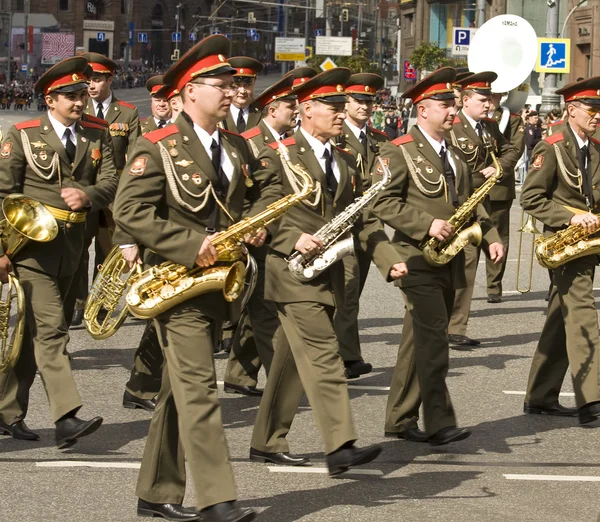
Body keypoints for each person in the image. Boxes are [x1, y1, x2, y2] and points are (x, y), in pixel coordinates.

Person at [114, 35, 279, 522]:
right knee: (200, 390)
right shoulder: (157, 146)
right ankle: (217, 500)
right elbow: (129, 210)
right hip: (176, 284)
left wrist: (260, 220)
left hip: (219, 285)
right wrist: (189, 244)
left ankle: (156, 492)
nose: (232, 92)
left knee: (177, 393)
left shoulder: (235, 145)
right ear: (189, 90)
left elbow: (263, 191)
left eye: (233, 85)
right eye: (221, 84)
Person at [249, 68, 394, 473]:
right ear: (306, 109)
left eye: (340, 106)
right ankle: (340, 444)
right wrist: (291, 236)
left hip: (328, 270)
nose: (340, 112)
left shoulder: (346, 158)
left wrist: (388, 259)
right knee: (326, 355)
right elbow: (258, 208)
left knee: (291, 362)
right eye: (332, 106)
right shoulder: (277, 154)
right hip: (290, 272)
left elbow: (363, 217)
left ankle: (266, 440)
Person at [372, 67, 503, 444]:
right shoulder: (398, 151)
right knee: (434, 338)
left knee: (419, 339)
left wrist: (489, 235)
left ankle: (399, 418)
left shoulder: (456, 156)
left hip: (450, 259)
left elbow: (471, 204)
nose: (452, 111)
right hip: (415, 258)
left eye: (454, 104)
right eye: (445, 105)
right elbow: (381, 202)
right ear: (422, 109)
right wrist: (424, 224)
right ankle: (440, 420)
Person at [0, 56, 118, 447]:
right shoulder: (22, 134)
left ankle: (5, 411)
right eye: (70, 95)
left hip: (73, 247)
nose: (80, 101)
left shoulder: (97, 134)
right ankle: (66, 417)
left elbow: (112, 181)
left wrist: (89, 195)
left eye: (83, 94)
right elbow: (2, 193)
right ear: (50, 99)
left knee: (36, 334)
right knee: (52, 330)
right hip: (30, 249)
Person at [521, 77, 600, 425]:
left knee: (559, 317)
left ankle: (540, 396)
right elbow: (530, 198)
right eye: (591, 110)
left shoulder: (595, 148)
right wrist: (572, 216)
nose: (597, 116)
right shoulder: (550, 146)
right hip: (566, 245)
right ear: (571, 109)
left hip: (589, 244)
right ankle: (591, 400)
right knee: (583, 314)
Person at [222, 74, 299, 396]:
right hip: (251, 235)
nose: (296, 112)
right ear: (272, 110)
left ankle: (240, 375)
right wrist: (251, 224)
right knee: (262, 308)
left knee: (260, 307)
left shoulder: (285, 139)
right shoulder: (251, 141)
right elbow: (236, 191)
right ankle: (283, 383)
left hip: (273, 230)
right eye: (290, 107)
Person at [333, 72, 401, 379]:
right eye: (358, 100)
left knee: (353, 291)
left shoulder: (380, 139)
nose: (364, 106)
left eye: (368, 101)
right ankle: (345, 356)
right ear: (345, 102)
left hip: (369, 221)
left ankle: (339, 350)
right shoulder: (333, 136)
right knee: (345, 291)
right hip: (342, 224)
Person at [446, 72, 520, 347]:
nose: (488, 104)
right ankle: (442, 322)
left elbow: (511, 150)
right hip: (459, 202)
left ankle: (455, 327)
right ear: (465, 100)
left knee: (469, 264)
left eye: (489, 99)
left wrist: (497, 168)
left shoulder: (488, 127)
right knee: (459, 264)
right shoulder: (452, 127)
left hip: (482, 202)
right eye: (482, 99)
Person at [67, 52, 141, 327]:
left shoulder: (128, 112)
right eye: (89, 80)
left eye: (97, 79)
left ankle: (102, 303)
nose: (91, 86)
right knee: (78, 248)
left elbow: (134, 156)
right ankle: (77, 301)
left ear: (110, 79)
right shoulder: (78, 110)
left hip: (115, 195)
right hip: (86, 190)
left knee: (108, 251)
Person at [220, 56, 263, 133]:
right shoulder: (217, 112)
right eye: (237, 85)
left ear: (254, 84)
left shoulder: (264, 112)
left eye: (247, 85)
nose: (242, 91)